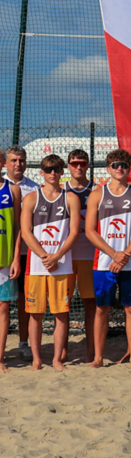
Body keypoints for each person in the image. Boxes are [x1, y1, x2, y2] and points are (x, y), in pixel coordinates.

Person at [86, 149, 131, 368]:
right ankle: (98, 358)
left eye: (124, 165)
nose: (119, 168)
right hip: (104, 263)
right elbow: (90, 231)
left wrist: (123, 257)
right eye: (115, 165)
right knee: (102, 309)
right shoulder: (97, 194)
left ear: (130, 168)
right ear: (108, 169)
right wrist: (114, 254)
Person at [22, 154, 81, 371]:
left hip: (62, 265)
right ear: (42, 172)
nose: (53, 173)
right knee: (35, 314)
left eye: (56, 169)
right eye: (48, 169)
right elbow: (26, 232)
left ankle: (57, 359)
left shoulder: (70, 198)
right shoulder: (31, 198)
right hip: (36, 266)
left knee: (61, 314)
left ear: (62, 171)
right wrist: (45, 257)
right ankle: (37, 359)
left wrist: (56, 256)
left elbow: (74, 232)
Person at [6, 145, 39, 363]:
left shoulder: (34, 188)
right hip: (3, 253)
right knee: (3, 303)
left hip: (27, 254)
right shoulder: (2, 185)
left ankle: (23, 343)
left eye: (22, 160)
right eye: (14, 160)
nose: (18, 164)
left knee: (23, 300)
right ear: (5, 163)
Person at [65, 149, 97, 362]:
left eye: (83, 163)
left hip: (89, 255)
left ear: (88, 166)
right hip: (65, 256)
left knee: (90, 304)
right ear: (68, 166)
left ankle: (91, 351)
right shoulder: (61, 191)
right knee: (62, 306)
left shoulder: (96, 190)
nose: (78, 167)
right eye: (75, 163)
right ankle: (62, 351)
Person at [0, 150, 21, 372]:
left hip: (4, 260)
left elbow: (17, 228)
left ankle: (0, 358)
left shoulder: (12, 189)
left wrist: (16, 258)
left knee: (3, 308)